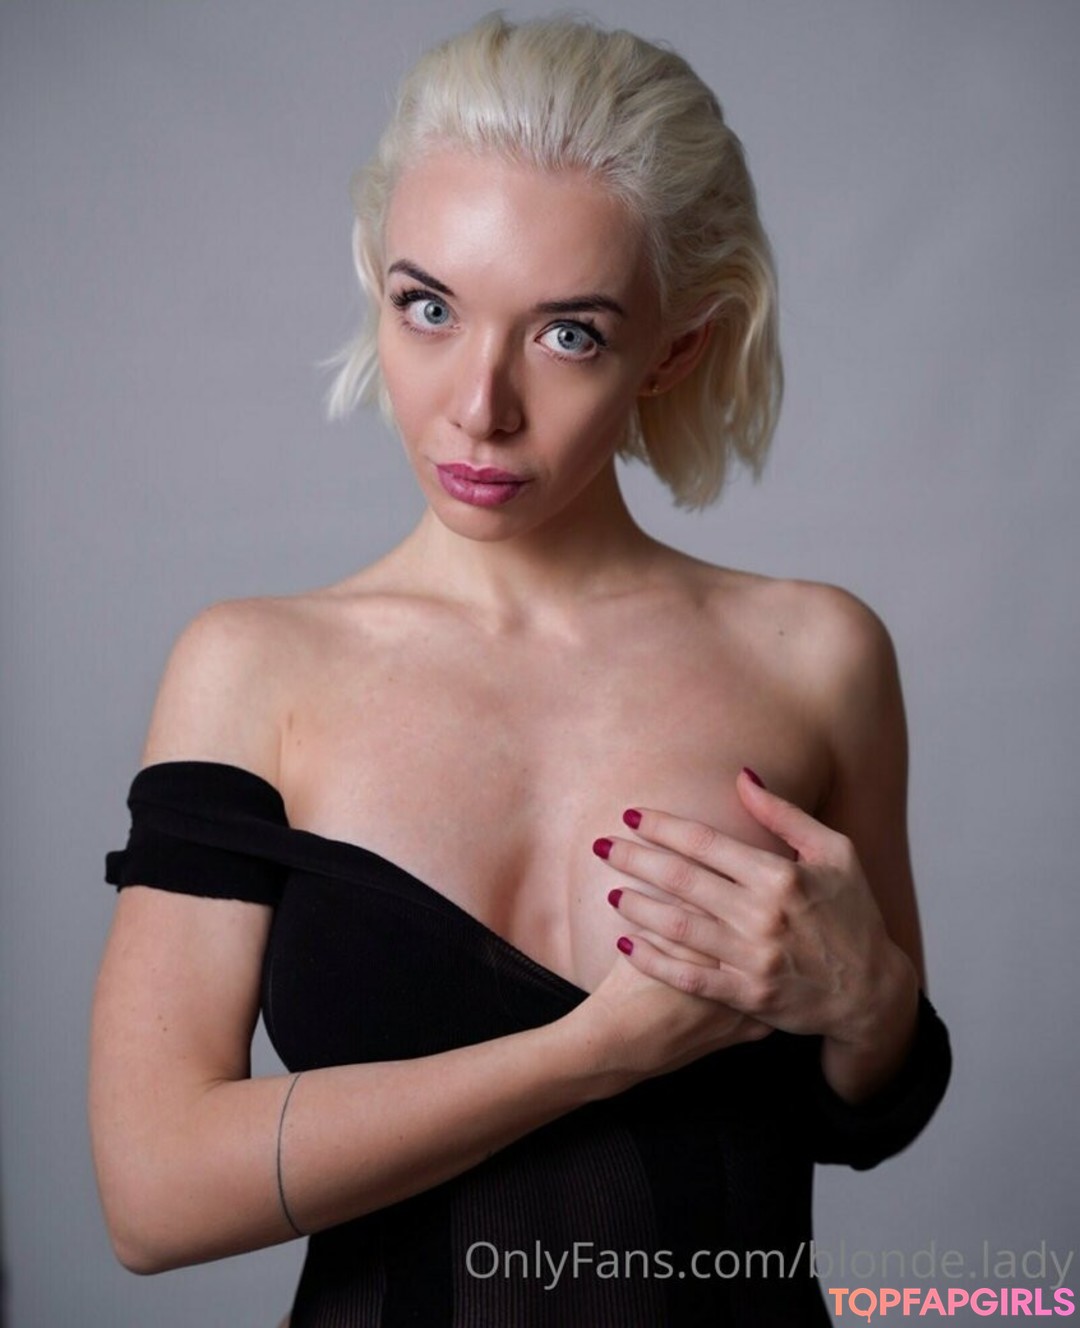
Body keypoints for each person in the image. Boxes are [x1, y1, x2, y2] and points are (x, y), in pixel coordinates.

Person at [90, 13, 951, 1326]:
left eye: (568, 334)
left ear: (675, 347)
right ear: (379, 287)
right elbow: (151, 1196)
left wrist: (872, 1000)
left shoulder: (817, 656)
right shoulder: (252, 672)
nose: (478, 405)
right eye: (429, 309)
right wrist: (588, 1056)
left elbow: (864, 1115)